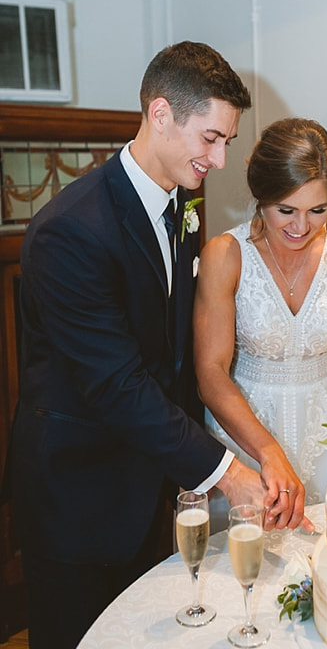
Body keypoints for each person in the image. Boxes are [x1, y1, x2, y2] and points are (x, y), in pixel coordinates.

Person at [10, 41, 283, 649]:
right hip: (76, 496)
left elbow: (173, 359)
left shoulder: (179, 208)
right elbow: (117, 384)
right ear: (160, 115)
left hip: (145, 486)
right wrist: (224, 472)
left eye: (225, 142)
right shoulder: (70, 230)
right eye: (209, 138)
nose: (217, 158)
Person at [195, 117, 327, 531]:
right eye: (286, 210)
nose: (301, 227)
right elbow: (210, 373)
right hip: (244, 438)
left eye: (318, 210)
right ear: (261, 197)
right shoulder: (225, 256)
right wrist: (267, 451)